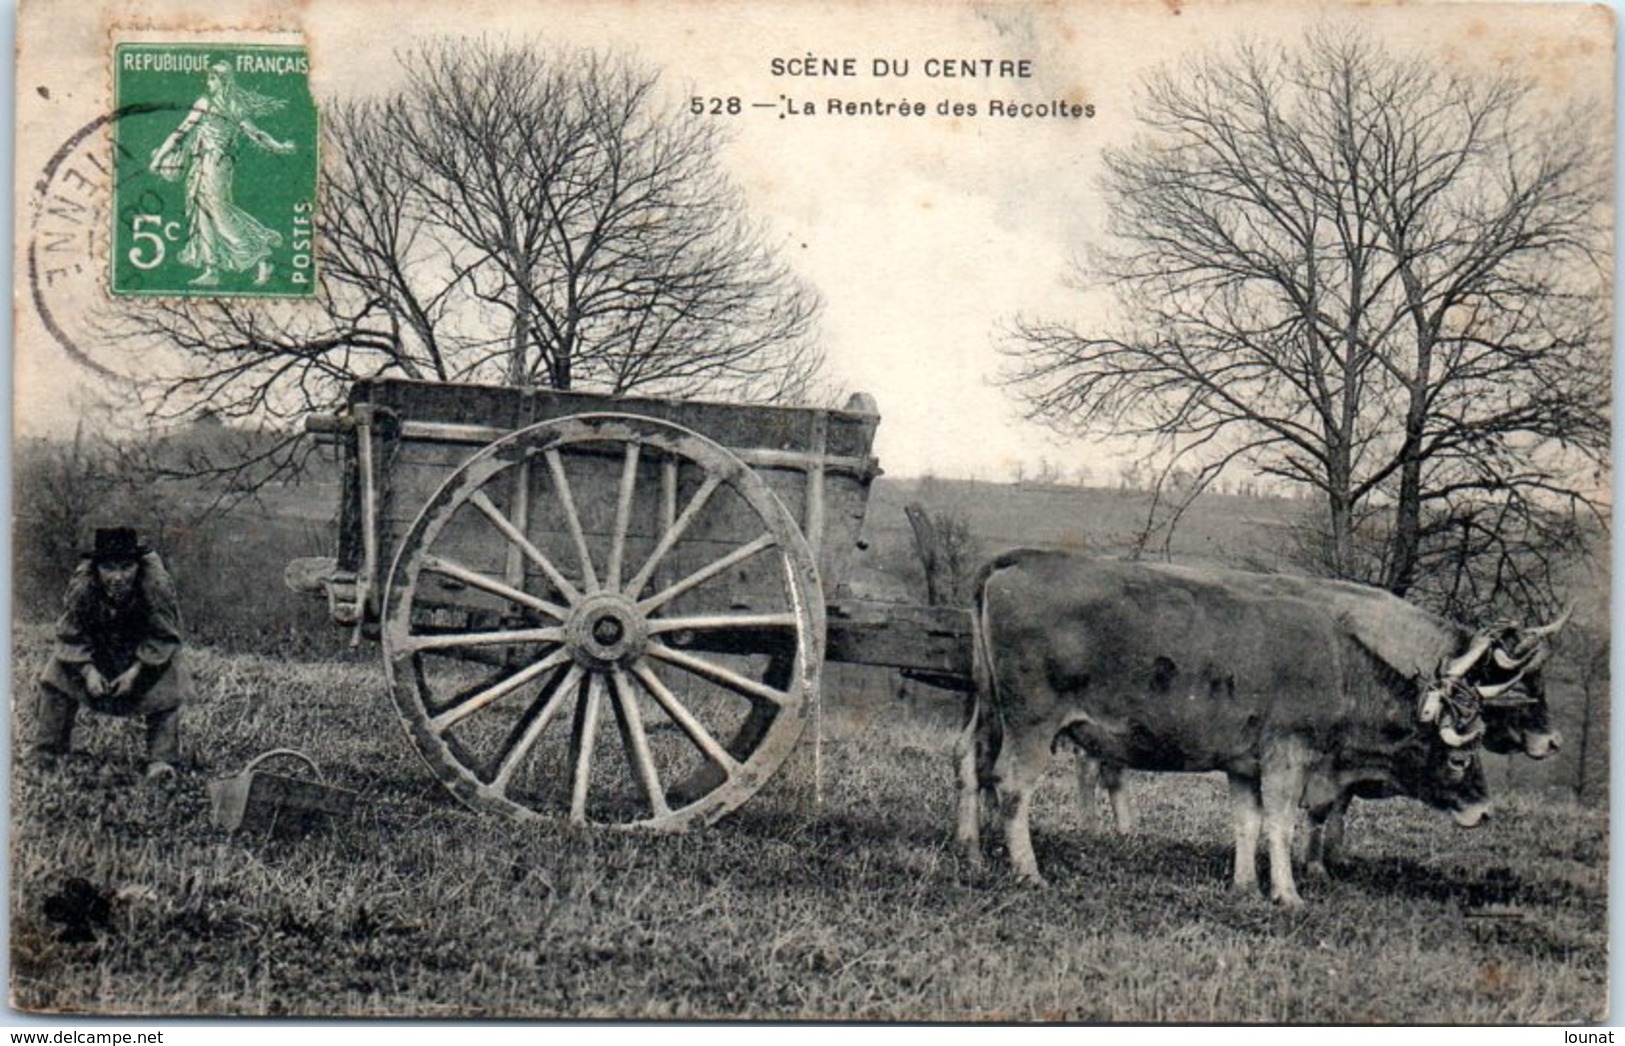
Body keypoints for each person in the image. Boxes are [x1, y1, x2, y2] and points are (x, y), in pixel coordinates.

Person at [35, 528, 193, 779]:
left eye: (126, 567)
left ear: (138, 567)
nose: (118, 577)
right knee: (55, 674)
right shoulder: (83, 588)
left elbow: (164, 637)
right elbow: (70, 634)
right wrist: (87, 672)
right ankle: (49, 750)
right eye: (108, 567)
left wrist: (135, 673)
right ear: (96, 569)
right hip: (97, 657)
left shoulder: (155, 587)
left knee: (171, 676)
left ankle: (161, 760)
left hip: (141, 660)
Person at [148, 61, 296, 287]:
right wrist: (279, 146)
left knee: (219, 214)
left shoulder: (212, 104)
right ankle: (212, 269)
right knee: (202, 213)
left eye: (212, 78)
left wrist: (158, 159)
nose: (208, 83)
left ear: (223, 81)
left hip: (215, 165)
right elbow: (256, 135)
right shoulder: (226, 104)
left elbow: (181, 133)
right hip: (203, 164)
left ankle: (261, 254)